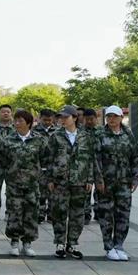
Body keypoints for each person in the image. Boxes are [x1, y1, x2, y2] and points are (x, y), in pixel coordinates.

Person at [47, 105, 97, 259]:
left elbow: (90, 159)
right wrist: (50, 179)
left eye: (66, 117)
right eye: (60, 117)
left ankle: (72, 243)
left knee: (77, 214)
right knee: (59, 212)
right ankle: (60, 243)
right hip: (60, 181)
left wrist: (90, 179)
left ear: (75, 118)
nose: (62, 120)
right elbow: (49, 159)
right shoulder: (55, 136)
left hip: (80, 181)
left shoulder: (86, 136)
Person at [0, 109, 49, 256]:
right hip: (13, 184)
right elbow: (2, 160)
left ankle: (27, 243)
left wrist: (39, 175)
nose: (17, 123)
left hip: (32, 184)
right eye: (16, 120)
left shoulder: (39, 140)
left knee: (31, 213)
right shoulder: (8, 140)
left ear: (29, 123)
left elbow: (45, 159)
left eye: (20, 121)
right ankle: (14, 242)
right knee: (14, 213)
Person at [95, 105, 138, 261]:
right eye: (109, 116)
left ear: (121, 117)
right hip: (106, 183)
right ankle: (109, 247)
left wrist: (135, 178)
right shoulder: (100, 134)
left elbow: (135, 157)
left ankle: (119, 245)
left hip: (124, 182)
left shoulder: (128, 135)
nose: (111, 119)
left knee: (123, 215)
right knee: (106, 215)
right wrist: (98, 179)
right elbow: (96, 159)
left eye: (115, 116)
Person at [34, 109, 56, 223]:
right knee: (40, 191)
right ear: (39, 118)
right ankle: (40, 214)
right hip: (39, 165)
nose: (47, 122)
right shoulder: (34, 131)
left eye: (49, 120)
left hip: (53, 166)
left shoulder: (57, 131)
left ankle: (51, 214)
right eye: (44, 120)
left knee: (53, 191)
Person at [82, 108, 101, 224]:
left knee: (100, 191)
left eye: (91, 119)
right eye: (87, 119)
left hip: (99, 165)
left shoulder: (101, 132)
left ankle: (99, 213)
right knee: (86, 191)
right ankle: (86, 214)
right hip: (85, 166)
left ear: (96, 118)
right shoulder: (80, 132)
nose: (89, 121)